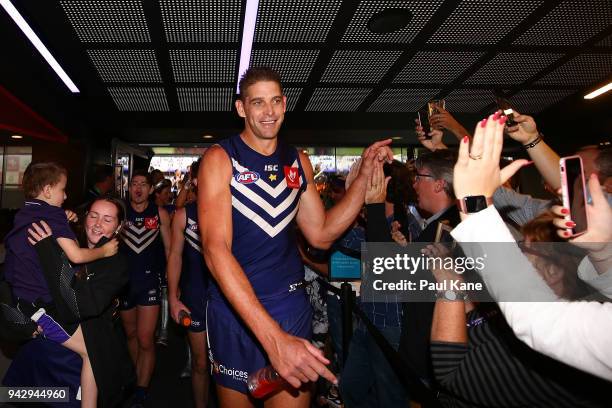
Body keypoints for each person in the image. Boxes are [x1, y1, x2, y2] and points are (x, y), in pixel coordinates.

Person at [198, 66, 393, 407]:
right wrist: (272, 339)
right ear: (242, 108)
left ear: (285, 104)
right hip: (234, 312)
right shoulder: (220, 158)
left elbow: (321, 236)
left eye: (275, 101)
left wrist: (363, 176)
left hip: (289, 307)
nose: (268, 111)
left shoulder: (297, 161)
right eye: (258, 103)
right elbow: (215, 251)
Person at [26, 196, 134, 407]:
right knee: (22, 396)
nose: (97, 224)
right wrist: (58, 225)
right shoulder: (69, 243)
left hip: (79, 363)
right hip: (47, 354)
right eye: (93, 216)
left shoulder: (116, 263)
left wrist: (49, 249)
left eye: (107, 219)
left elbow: (83, 305)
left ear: (119, 226)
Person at [119, 169, 171, 406]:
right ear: (129, 188)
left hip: (150, 283)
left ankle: (142, 388)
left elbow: (171, 250)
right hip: (123, 285)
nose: (138, 188)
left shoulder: (160, 213)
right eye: (134, 184)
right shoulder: (120, 213)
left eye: (143, 184)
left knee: (146, 338)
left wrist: (173, 283)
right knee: (131, 335)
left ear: (151, 190)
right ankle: (140, 372)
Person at [167, 159, 210, 408]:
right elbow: (174, 255)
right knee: (200, 363)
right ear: (194, 180)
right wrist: (173, 297)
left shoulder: (234, 211)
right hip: (195, 294)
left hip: (227, 299)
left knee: (231, 365)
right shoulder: (183, 214)